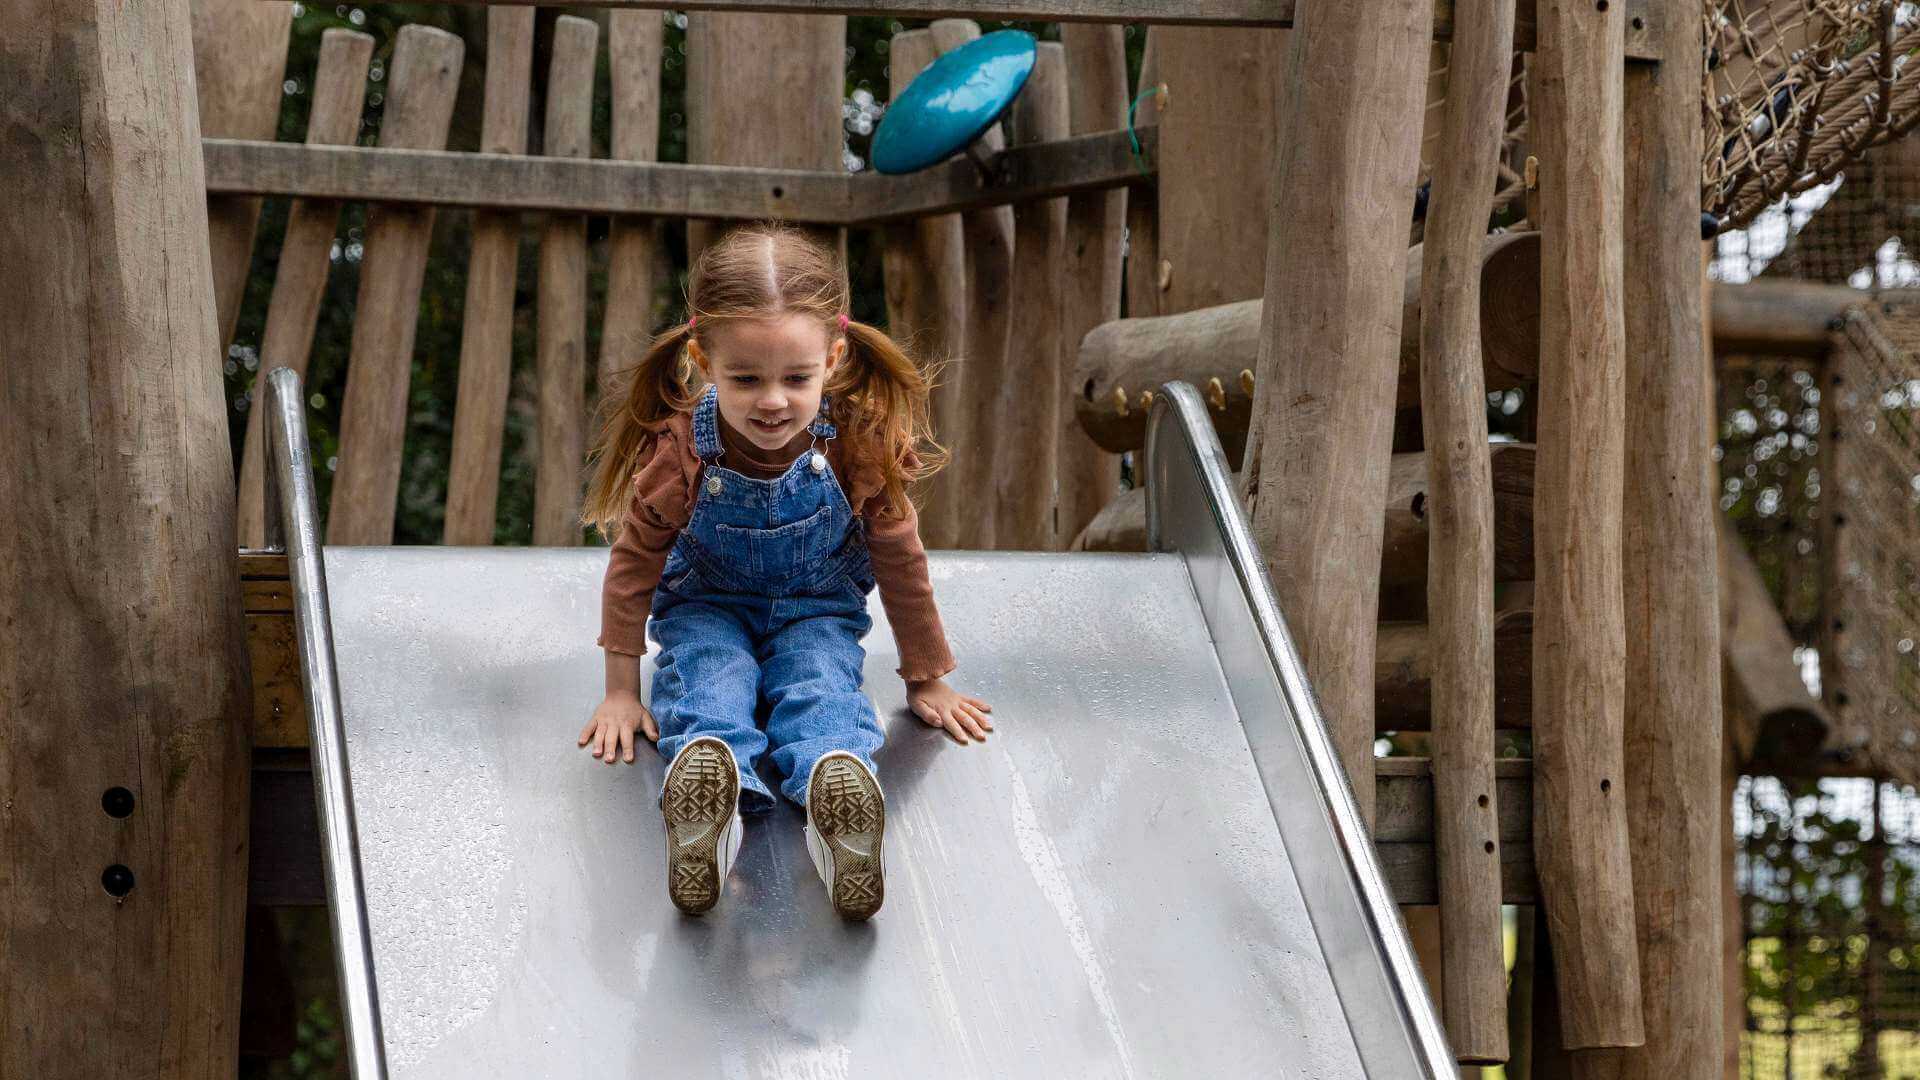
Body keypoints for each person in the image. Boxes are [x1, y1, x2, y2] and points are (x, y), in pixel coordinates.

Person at [577, 222, 993, 921]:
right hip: (708, 605)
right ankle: (713, 813)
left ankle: (840, 803)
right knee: (711, 685)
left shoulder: (858, 438)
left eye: (796, 378)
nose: (773, 400)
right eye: (745, 379)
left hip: (815, 609)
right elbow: (634, 562)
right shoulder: (683, 448)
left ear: (831, 358)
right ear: (702, 361)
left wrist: (928, 678)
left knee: (821, 686)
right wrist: (621, 691)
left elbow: (901, 559)